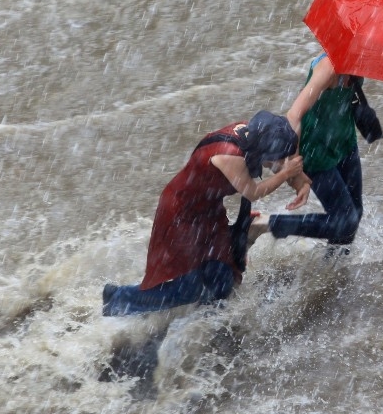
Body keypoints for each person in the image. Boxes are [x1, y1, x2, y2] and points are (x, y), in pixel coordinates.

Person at [102, 111, 305, 316]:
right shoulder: (228, 153)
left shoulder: (255, 132)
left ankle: (203, 323)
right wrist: (287, 174)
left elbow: (283, 161)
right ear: (265, 151)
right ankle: (118, 298)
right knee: (189, 288)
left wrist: (300, 182)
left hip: (207, 209)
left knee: (222, 276)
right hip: (181, 214)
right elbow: (253, 192)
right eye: (279, 158)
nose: (281, 163)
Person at [262, 54, 365, 250]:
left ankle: (333, 274)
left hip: (345, 143)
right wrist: (296, 170)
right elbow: (293, 116)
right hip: (316, 152)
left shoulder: (361, 60)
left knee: (354, 215)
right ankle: (266, 224)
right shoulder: (327, 68)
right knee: (345, 221)